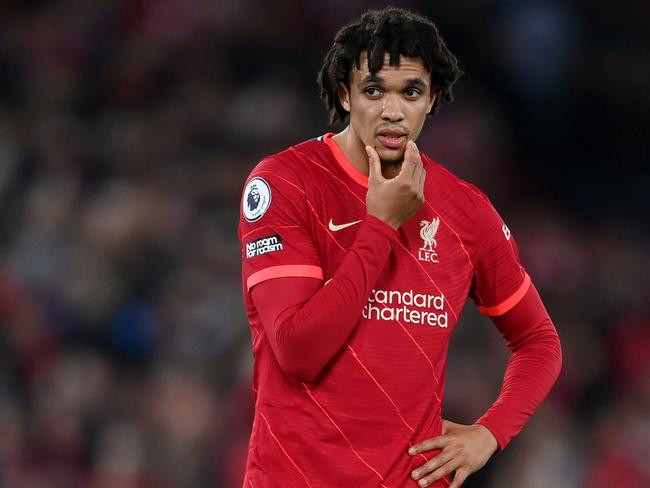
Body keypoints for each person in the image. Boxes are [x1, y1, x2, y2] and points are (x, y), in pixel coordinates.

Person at [237, 7, 561, 488]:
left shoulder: (465, 210)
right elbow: (297, 351)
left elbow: (539, 342)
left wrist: (489, 433)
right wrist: (382, 225)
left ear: (431, 100)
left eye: (411, 92)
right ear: (345, 94)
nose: (393, 111)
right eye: (374, 91)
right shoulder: (286, 183)